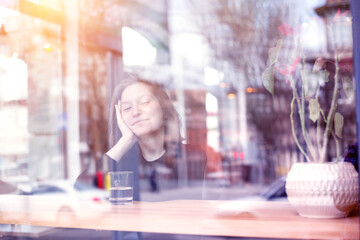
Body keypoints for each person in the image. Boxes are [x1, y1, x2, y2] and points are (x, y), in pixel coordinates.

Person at [107, 77, 182, 194]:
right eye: (127, 108)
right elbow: (85, 190)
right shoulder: (122, 160)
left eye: (145, 102)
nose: (136, 112)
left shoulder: (190, 156)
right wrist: (125, 141)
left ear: (163, 107)